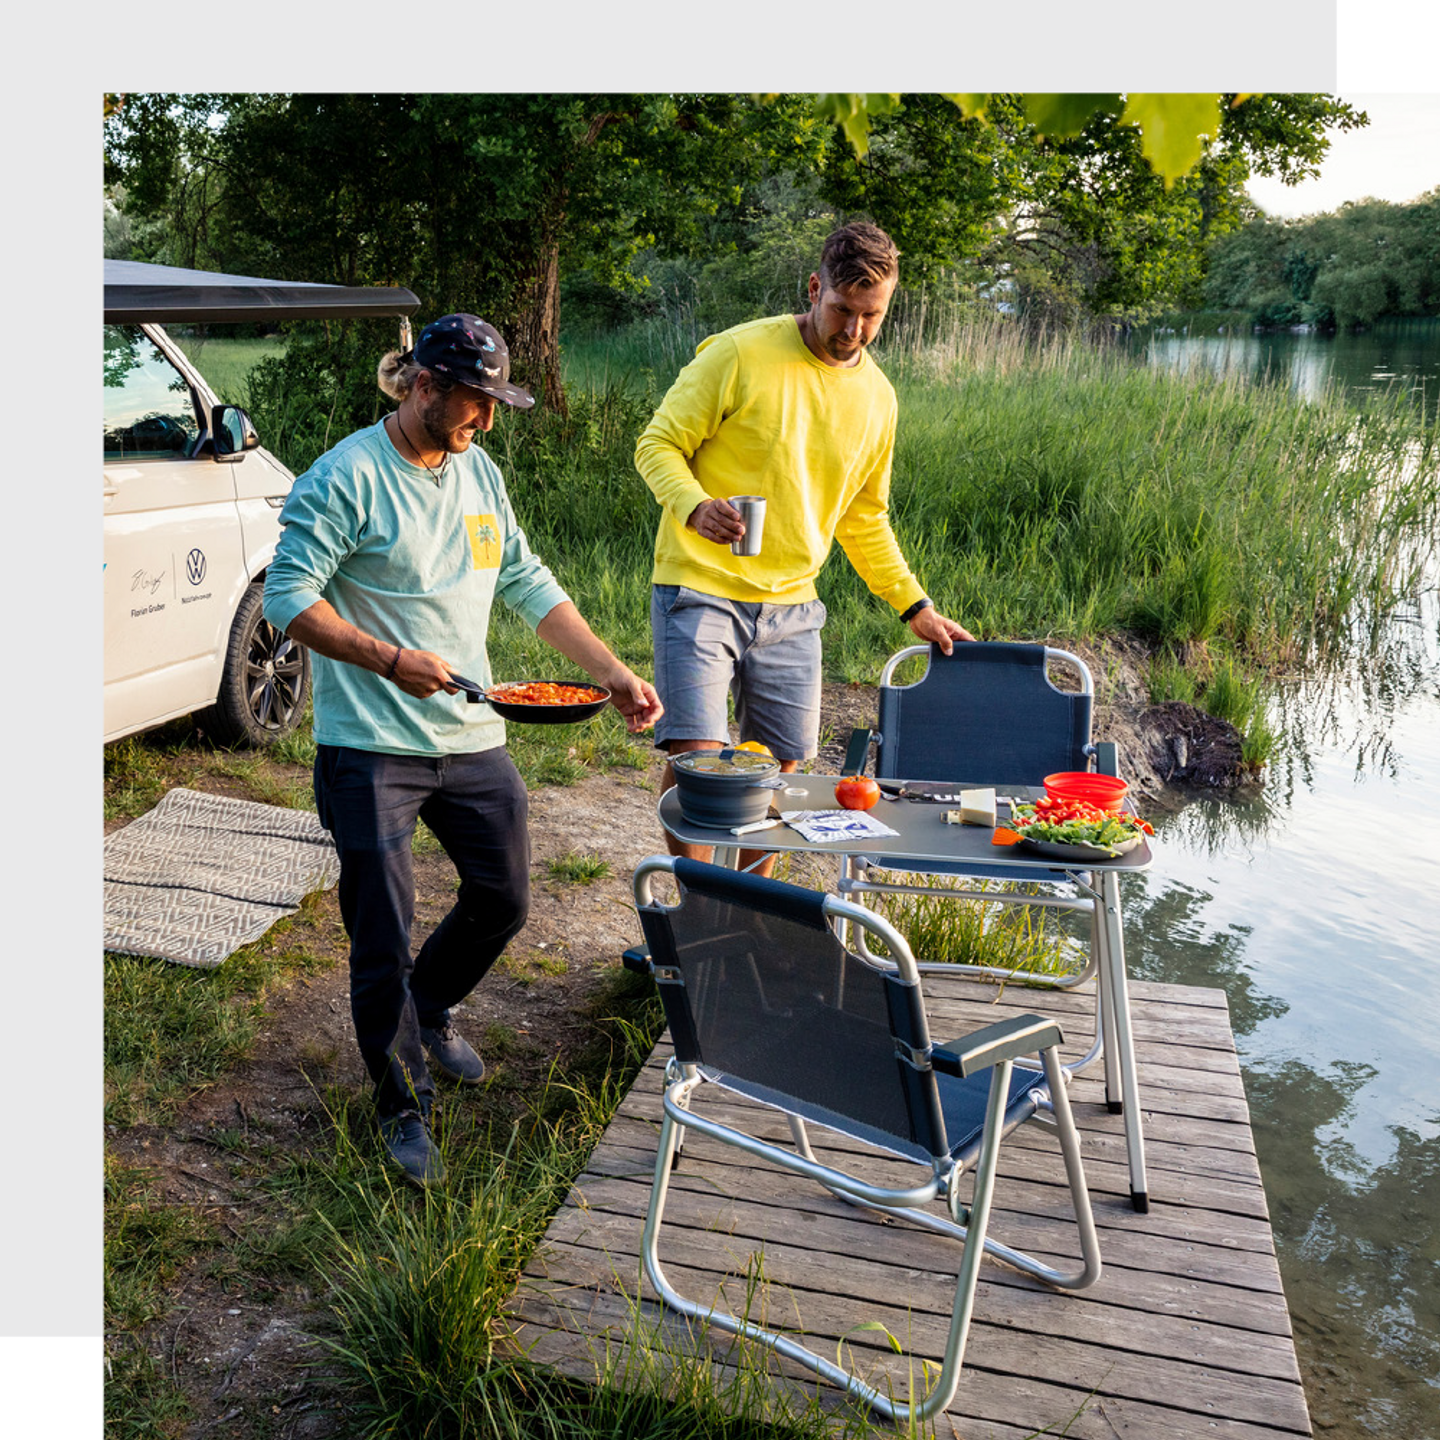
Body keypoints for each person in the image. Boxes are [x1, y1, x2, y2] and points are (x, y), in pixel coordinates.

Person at [263, 313, 662, 1187]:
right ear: (423, 386)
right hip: (370, 744)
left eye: (493, 405)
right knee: (382, 931)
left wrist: (616, 672)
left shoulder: (478, 471)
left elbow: (524, 578)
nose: (486, 421)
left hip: (471, 730)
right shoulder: (346, 478)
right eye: (475, 403)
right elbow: (285, 599)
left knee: (505, 897)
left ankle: (431, 1007)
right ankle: (401, 1105)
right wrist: (387, 658)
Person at [633, 222, 973, 867]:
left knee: (781, 774)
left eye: (871, 316)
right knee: (700, 768)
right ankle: (694, 913)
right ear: (815, 288)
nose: (854, 330)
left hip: (793, 609)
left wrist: (915, 607)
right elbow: (657, 445)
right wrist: (695, 505)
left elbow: (864, 517)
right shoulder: (737, 354)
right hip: (700, 589)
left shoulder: (878, 398)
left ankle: (744, 908)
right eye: (843, 309)